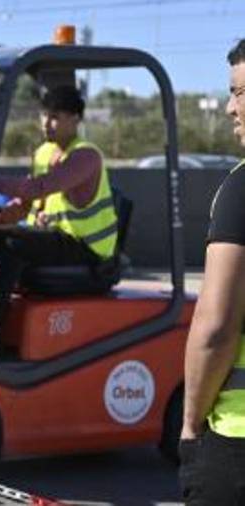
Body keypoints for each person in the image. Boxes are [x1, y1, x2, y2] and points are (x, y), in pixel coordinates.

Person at [0, 85, 118, 358]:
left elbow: (38, 187)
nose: (47, 123)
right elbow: (25, 205)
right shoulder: (44, 153)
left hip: (85, 249)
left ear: (76, 119)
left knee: (15, 244)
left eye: (55, 116)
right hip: (54, 239)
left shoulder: (85, 156)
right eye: (44, 115)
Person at [178, 39, 245, 505]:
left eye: (241, 93)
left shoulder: (242, 189)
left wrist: (188, 423)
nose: (229, 107)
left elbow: (215, 329)